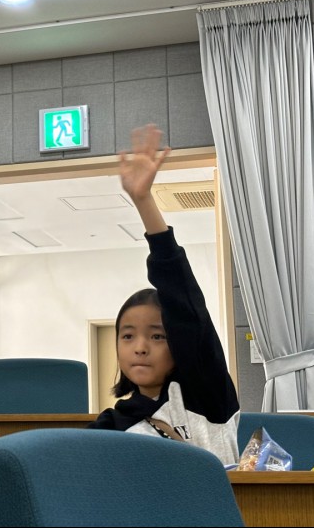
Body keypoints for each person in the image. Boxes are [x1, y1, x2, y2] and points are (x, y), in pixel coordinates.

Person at [87, 123, 240, 465]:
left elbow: (183, 299)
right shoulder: (112, 425)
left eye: (157, 336)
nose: (140, 347)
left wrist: (143, 201)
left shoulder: (206, 394)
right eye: (128, 336)